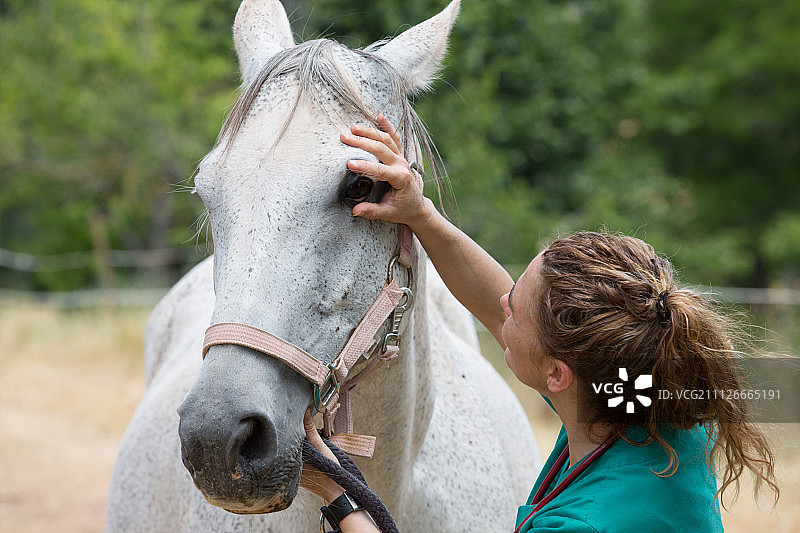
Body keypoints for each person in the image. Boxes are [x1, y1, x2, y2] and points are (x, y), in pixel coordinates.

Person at [300, 115, 779, 532]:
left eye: (516, 309)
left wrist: (337, 492)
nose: (502, 304)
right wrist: (420, 213)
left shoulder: (582, 524)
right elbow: (494, 303)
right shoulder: (648, 405)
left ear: (557, 374)